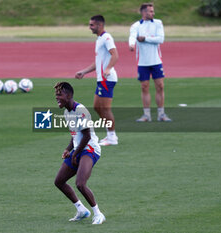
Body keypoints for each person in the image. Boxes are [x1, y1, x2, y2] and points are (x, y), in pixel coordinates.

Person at [53, 82, 106, 225]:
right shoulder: (67, 112)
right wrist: (68, 149)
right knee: (59, 181)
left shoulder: (80, 110)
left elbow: (87, 135)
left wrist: (75, 153)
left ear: (69, 95)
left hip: (90, 150)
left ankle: (98, 214)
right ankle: (82, 210)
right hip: (78, 150)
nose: (57, 98)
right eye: (56, 95)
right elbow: (75, 135)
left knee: (81, 183)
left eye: (60, 95)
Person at [75, 15, 119, 146]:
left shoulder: (106, 38)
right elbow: (97, 62)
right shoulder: (99, 39)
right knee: (97, 107)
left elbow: (115, 54)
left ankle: (112, 137)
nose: (90, 27)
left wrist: (109, 68)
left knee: (105, 109)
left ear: (99, 25)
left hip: (107, 79)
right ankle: (109, 134)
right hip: (101, 80)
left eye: (91, 25)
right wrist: (84, 71)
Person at [129, 3, 172, 122]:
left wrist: (145, 39)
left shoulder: (158, 23)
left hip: (156, 61)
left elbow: (160, 39)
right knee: (144, 87)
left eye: (153, 11)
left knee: (160, 86)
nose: (153, 13)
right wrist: (131, 44)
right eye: (150, 11)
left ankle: (161, 114)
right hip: (142, 62)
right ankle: (146, 115)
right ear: (143, 13)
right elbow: (132, 36)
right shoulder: (136, 26)